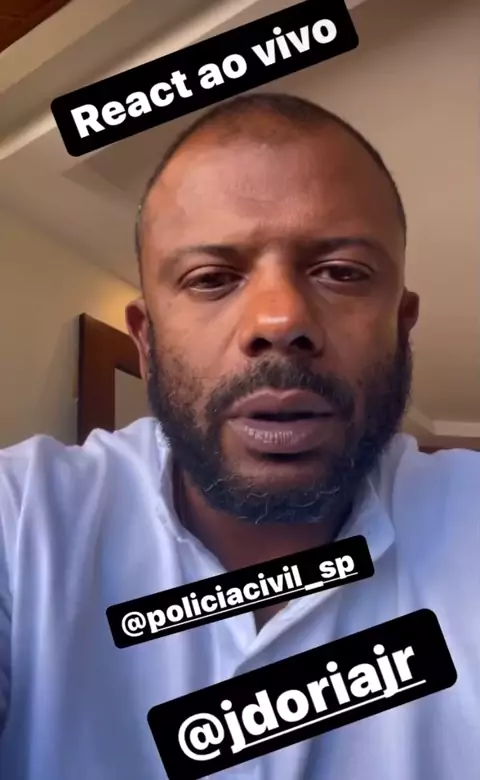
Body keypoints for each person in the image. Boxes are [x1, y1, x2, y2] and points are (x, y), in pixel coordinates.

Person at [0, 92, 478, 780]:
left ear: (401, 328)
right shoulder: (22, 522)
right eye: (212, 278)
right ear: (146, 342)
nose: (280, 320)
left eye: (341, 272)